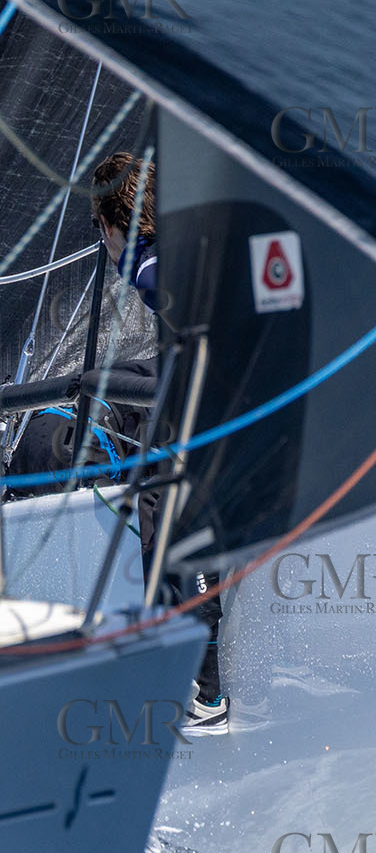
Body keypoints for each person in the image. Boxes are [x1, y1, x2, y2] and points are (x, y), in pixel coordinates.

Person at [91, 152, 229, 732]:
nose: (102, 243)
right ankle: (191, 673)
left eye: (100, 229)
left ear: (114, 224)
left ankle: (203, 688)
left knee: (168, 507)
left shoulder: (152, 267)